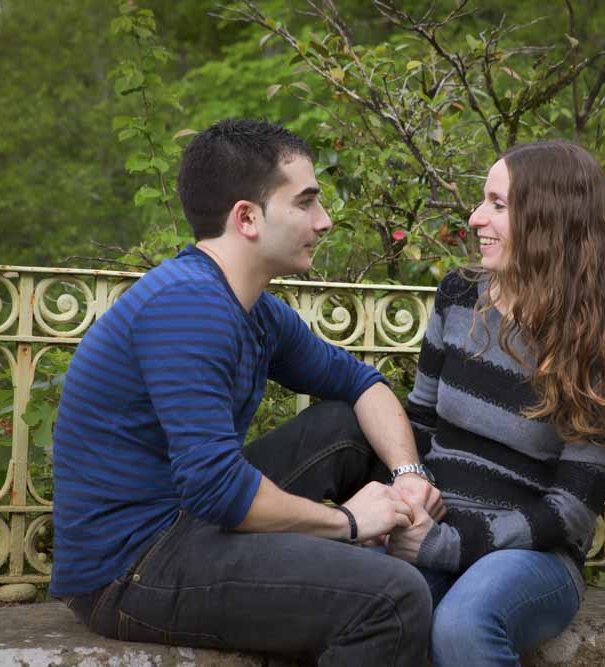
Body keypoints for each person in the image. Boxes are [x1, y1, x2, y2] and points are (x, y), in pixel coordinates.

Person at [50, 119, 443, 666]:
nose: (324, 221)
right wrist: (350, 525)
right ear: (247, 218)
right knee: (393, 600)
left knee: (345, 427)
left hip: (191, 522)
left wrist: (408, 476)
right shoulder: (188, 307)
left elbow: (361, 384)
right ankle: (378, 583)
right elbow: (217, 488)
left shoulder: (254, 310)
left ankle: (397, 567)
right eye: (305, 202)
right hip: (130, 568)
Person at [387, 140, 605, 666]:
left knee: (463, 626)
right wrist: (406, 501)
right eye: (482, 201)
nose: (475, 218)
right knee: (368, 605)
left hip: (533, 556)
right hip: (433, 530)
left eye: (497, 204)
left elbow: (570, 512)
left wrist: (449, 545)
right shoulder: (458, 296)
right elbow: (419, 421)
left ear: (548, 222)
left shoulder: (598, 342)